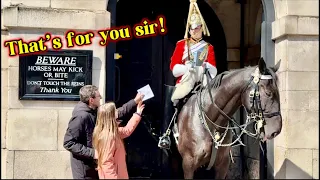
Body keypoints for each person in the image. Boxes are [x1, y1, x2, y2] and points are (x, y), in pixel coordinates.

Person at [158, 0, 218, 149]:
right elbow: (174, 68)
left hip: (204, 79)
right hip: (186, 78)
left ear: (202, 29)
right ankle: (166, 134)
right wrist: (188, 67)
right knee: (174, 98)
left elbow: (214, 70)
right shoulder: (181, 45)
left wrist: (205, 65)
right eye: (192, 29)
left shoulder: (208, 47)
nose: (195, 31)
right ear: (189, 30)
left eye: (198, 28)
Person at [63, 85, 144, 179]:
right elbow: (68, 143)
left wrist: (135, 102)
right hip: (85, 170)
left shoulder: (96, 111)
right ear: (91, 100)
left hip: (95, 166)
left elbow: (115, 114)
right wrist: (93, 153)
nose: (101, 97)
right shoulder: (81, 117)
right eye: (98, 96)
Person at [93, 101, 145, 179]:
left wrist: (137, 114)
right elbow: (106, 163)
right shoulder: (108, 136)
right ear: (110, 116)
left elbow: (126, 131)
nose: (117, 111)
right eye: (115, 110)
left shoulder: (112, 131)